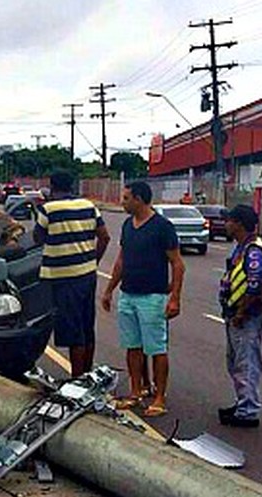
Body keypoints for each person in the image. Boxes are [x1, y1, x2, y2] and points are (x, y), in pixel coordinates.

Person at [100, 181, 185, 418]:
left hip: (153, 298)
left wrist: (174, 298)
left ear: (138, 199)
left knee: (157, 348)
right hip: (128, 295)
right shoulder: (128, 225)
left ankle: (159, 397)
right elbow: (121, 261)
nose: (122, 202)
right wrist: (109, 290)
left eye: (126, 198)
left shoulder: (162, 227)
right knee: (132, 347)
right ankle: (136, 391)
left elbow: (178, 264)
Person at [34, 170, 111, 376]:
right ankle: (86, 374)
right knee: (87, 326)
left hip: (63, 278)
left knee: (73, 330)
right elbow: (104, 237)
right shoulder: (88, 206)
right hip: (87, 275)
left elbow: (37, 239)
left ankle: (76, 379)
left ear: (52, 186)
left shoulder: (48, 209)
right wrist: (93, 261)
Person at [218, 204, 262, 428]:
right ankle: (242, 402)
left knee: (246, 363)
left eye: (229, 220)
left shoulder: (253, 250)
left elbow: (254, 286)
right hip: (236, 313)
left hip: (246, 315)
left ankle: (248, 410)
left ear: (239, 224)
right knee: (236, 362)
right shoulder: (242, 247)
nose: (226, 225)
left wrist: (241, 313)